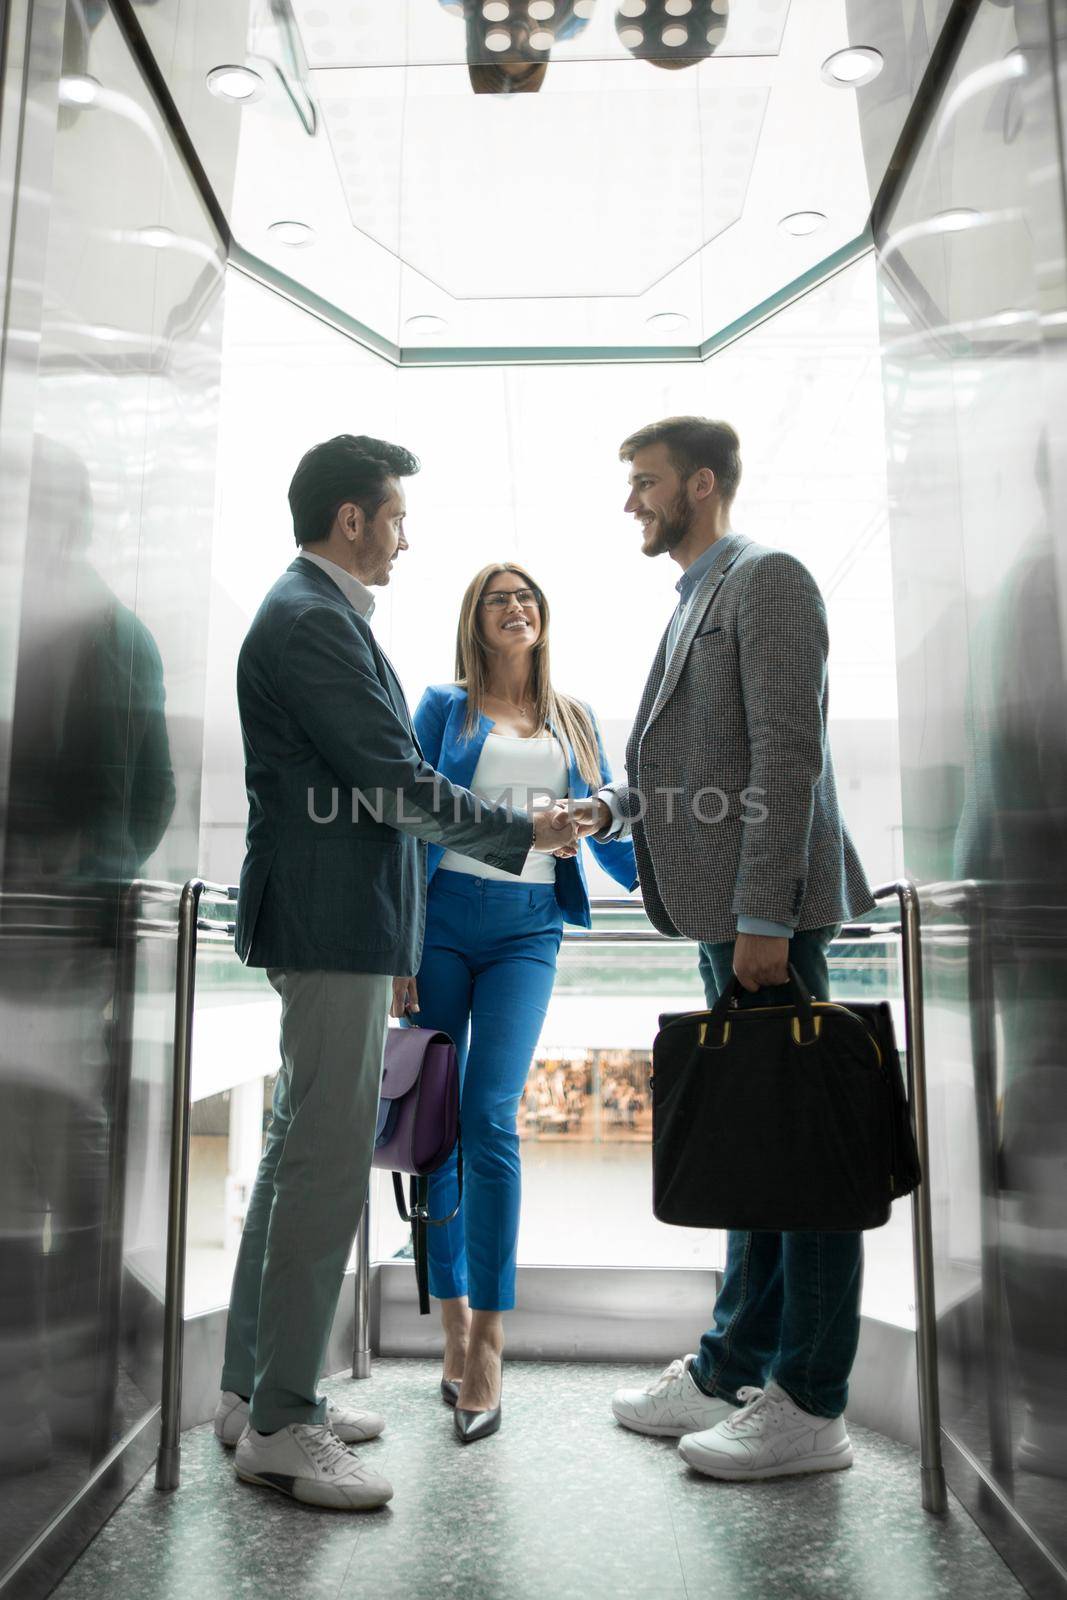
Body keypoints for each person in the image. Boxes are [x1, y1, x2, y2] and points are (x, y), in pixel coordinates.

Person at [213, 439, 578, 1510]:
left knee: (292, 1157)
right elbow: (391, 782)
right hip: (332, 925)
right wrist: (519, 829)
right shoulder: (312, 619)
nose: (406, 536)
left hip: (335, 922)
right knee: (323, 1163)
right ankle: (282, 1421)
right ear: (350, 519)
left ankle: (253, 1390)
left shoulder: (317, 613)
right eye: (395, 517)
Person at [569, 415, 875, 1481]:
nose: (631, 503)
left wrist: (761, 919)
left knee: (803, 1163)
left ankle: (810, 1402)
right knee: (758, 1152)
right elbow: (692, 760)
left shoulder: (767, 576)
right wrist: (605, 811)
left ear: (700, 484)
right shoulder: (696, 592)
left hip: (765, 924)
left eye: (644, 483)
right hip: (727, 921)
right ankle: (730, 1364)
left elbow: (785, 755)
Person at [397, 562, 638, 1443]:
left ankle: (491, 1342)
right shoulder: (442, 706)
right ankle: (452, 1325)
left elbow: (614, 819)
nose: (516, 607)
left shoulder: (572, 717)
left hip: (530, 926)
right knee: (437, 1125)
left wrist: (635, 862)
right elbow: (406, 813)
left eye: (527, 596)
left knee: (491, 1115)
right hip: (440, 922)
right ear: (475, 619)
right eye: (498, 598)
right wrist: (398, 943)